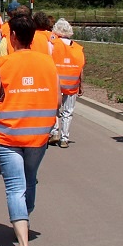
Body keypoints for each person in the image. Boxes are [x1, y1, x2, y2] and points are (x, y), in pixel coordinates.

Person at [0, 11, 60, 246]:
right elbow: (56, 101)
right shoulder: (48, 63)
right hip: (39, 134)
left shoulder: (3, 64)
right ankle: (25, 215)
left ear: (12, 37)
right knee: (30, 179)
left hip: (7, 134)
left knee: (14, 186)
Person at [50, 18, 86, 148]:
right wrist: (81, 85)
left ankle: (54, 132)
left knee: (54, 108)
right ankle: (65, 138)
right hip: (72, 84)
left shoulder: (53, 44)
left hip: (56, 83)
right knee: (68, 111)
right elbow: (80, 68)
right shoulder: (77, 48)